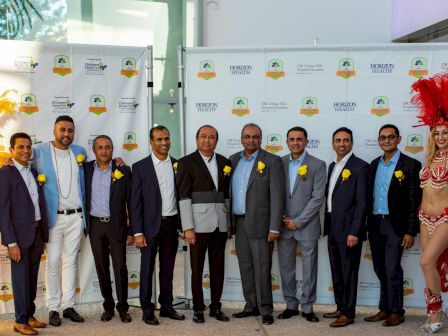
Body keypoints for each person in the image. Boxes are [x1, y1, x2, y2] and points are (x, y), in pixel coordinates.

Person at [365, 124, 421, 327]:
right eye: (383, 137)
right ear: (379, 140)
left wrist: (410, 231)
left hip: (396, 226)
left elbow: (415, 200)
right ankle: (385, 308)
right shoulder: (373, 164)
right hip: (375, 223)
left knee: (392, 269)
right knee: (379, 267)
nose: (386, 140)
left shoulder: (410, 165)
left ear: (399, 139)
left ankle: (397, 311)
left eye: (391, 137)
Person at [32, 115, 86, 326]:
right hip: (54, 217)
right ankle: (53, 307)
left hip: (76, 217)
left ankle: (68, 305)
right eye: (62, 130)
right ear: (54, 131)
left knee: (70, 261)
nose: (66, 134)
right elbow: (23, 161)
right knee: (53, 262)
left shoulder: (80, 152)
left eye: (70, 130)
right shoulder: (39, 150)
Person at [230, 123, 285, 325]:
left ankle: (266, 309)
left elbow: (278, 197)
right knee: (245, 266)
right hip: (239, 222)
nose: (251, 140)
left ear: (261, 139)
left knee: (262, 267)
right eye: (247, 136)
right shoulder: (233, 160)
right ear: (241, 138)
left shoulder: (272, 161)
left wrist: (274, 226)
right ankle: (250, 305)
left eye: (255, 137)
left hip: (262, 224)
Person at [176, 125, 231, 324]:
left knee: (218, 268)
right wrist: (188, 227)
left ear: (216, 140)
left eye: (211, 137)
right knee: (197, 269)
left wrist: (229, 225)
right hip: (197, 227)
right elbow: (183, 197)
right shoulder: (186, 163)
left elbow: (226, 196)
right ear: (196, 139)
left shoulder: (225, 162)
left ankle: (216, 307)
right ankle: (198, 309)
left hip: (220, 226)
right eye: (203, 137)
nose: (207, 140)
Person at [131, 125, 185, 326]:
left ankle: (167, 307)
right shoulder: (140, 167)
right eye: (160, 139)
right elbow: (134, 203)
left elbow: (181, 197)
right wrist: (137, 232)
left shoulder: (178, 165)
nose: (164, 143)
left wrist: (182, 225)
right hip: (148, 227)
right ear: (151, 142)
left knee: (168, 269)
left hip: (171, 225)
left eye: (167, 138)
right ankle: (146, 309)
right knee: (146, 269)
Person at [0, 133, 49, 335]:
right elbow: (3, 210)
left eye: (28, 147)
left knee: (32, 277)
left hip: (36, 233)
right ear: (11, 149)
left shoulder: (33, 171)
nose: (26, 150)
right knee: (20, 279)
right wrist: (11, 242)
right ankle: (19, 321)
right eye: (20, 147)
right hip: (18, 237)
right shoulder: (5, 173)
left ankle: (29, 314)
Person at [411, 73, 448, 333]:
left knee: (426, 261)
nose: (442, 137)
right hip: (425, 218)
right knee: (428, 264)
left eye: (446, 132)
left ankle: (437, 313)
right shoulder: (428, 161)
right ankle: (433, 312)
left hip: (446, 217)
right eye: (437, 133)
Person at [277, 127, 326, 323]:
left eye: (299, 139)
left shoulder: (317, 164)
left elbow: (317, 197)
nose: (295, 142)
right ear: (287, 142)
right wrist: (282, 218)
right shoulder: (278, 163)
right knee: (286, 268)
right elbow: (275, 193)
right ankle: (290, 304)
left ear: (306, 141)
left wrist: (298, 222)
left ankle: (307, 307)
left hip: (307, 226)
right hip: (283, 225)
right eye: (291, 139)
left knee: (309, 268)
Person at [323, 127, 369, 327]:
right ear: (333, 143)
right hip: (333, 226)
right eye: (338, 140)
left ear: (352, 143)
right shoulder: (333, 166)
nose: (342, 144)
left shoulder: (360, 167)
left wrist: (354, 231)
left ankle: (348, 314)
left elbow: (362, 203)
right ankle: (341, 306)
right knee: (337, 269)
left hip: (349, 230)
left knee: (349, 271)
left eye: (346, 140)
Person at [84, 135, 133, 323]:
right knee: (102, 267)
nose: (104, 151)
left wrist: (131, 229)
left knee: (120, 267)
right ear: (94, 150)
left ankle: (123, 308)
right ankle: (108, 306)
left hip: (117, 225)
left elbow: (131, 202)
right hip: (95, 225)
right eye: (100, 147)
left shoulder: (123, 169)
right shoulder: (86, 169)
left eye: (108, 147)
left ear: (113, 149)